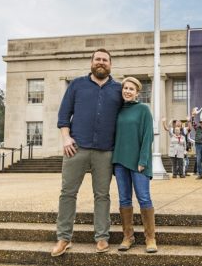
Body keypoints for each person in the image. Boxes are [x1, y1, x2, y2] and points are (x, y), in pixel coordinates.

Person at [52, 49, 122, 256]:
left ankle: (101, 237)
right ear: (91, 62)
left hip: (105, 151)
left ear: (110, 64)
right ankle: (64, 238)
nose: (101, 62)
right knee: (67, 193)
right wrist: (66, 138)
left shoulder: (118, 89)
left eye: (105, 60)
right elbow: (64, 115)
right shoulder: (76, 84)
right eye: (98, 59)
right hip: (76, 148)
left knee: (102, 195)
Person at [111, 77, 157, 253]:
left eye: (131, 89)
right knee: (124, 199)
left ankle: (150, 238)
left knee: (144, 198)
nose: (127, 91)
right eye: (125, 88)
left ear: (138, 92)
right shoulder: (118, 111)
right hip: (120, 161)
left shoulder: (143, 109)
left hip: (139, 162)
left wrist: (143, 160)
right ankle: (128, 236)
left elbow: (148, 136)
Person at [190, 110, 202, 179]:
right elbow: (193, 123)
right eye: (200, 123)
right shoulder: (197, 128)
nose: (201, 124)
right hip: (198, 145)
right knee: (198, 160)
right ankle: (200, 174)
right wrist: (193, 116)